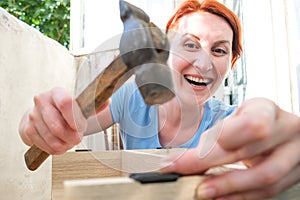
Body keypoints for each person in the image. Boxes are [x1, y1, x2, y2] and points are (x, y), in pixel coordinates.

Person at [18, 0, 300, 199]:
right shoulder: (129, 99)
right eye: (190, 44)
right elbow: (67, 123)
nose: (203, 63)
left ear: (232, 63)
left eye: (219, 50)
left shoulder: (230, 120)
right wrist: (39, 124)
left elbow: (265, 144)